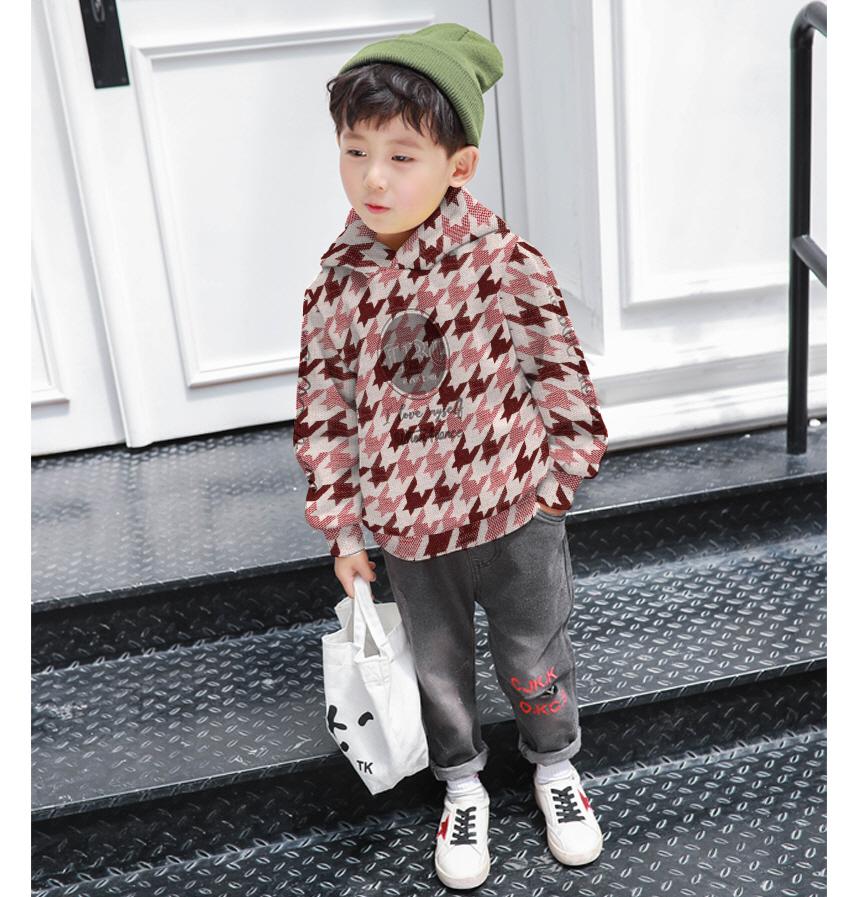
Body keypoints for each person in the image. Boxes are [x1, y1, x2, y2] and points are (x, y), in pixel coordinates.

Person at [292, 23, 609, 891]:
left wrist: (561, 480)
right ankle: (461, 784)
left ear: (457, 167)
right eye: (355, 151)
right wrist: (343, 527)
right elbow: (325, 408)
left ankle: (555, 766)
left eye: (401, 157)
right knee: (437, 670)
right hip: (409, 532)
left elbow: (558, 374)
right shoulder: (336, 288)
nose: (374, 178)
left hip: (515, 511)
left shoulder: (501, 264)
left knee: (534, 656)